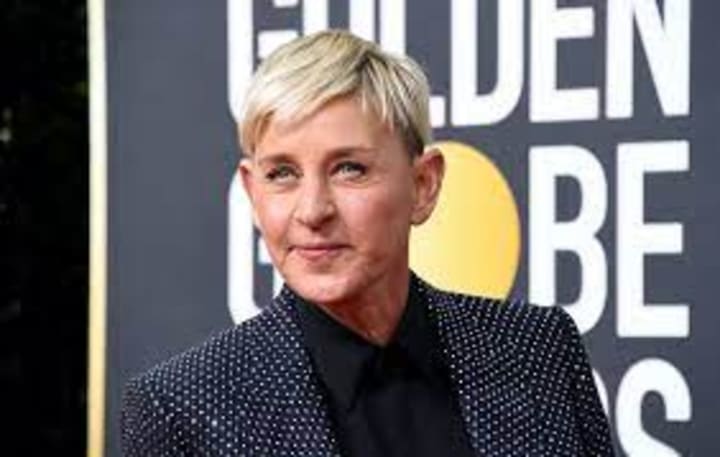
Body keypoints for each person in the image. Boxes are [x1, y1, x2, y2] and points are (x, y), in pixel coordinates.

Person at [121, 29, 614, 456]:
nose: (312, 211)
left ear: (423, 185)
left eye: (349, 169)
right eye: (282, 174)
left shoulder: (538, 347)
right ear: (252, 192)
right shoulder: (181, 409)